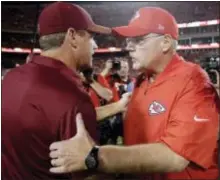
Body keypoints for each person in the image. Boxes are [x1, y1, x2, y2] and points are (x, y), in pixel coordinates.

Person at [49, 7, 219, 180]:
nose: (128, 46)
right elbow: (138, 146)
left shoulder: (194, 81)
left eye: (139, 40)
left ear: (166, 42)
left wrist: (96, 157)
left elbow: (175, 157)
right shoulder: (141, 80)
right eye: (129, 40)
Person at [2, 2, 130, 180]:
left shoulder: (11, 78)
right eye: (91, 37)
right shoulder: (73, 98)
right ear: (73, 36)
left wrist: (118, 106)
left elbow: (50, 119)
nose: (94, 46)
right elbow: (87, 175)